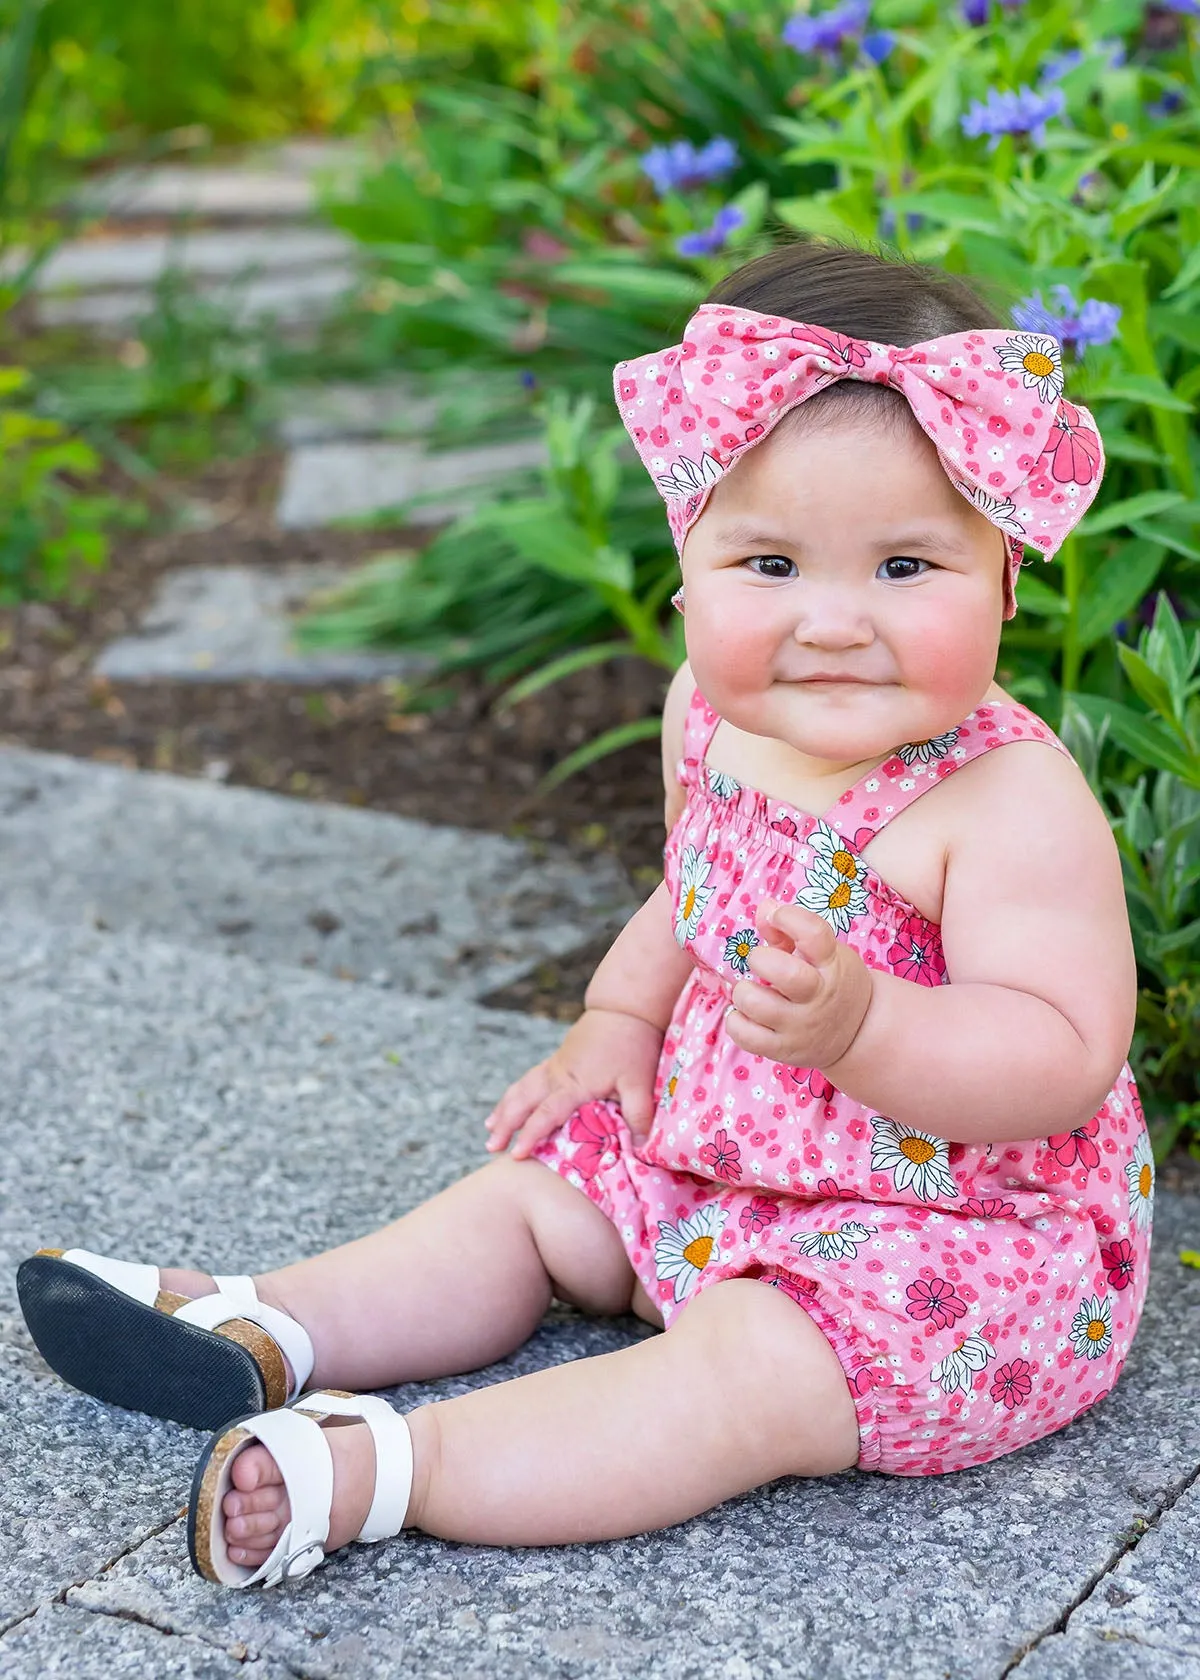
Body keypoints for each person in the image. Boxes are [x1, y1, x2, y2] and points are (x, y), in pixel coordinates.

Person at [17, 240, 1152, 1592]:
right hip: (725, 1172)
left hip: (946, 1251)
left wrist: (870, 1024)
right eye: (772, 562)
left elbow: (1058, 1052)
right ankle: (269, 1323)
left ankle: (385, 1469)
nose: (835, 623)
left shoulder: (1008, 801)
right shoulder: (714, 719)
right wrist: (617, 1018)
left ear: (1006, 579)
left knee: (744, 1374)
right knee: (534, 1194)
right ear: (689, 566)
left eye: (907, 568)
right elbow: (697, 888)